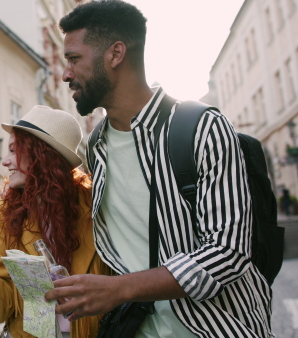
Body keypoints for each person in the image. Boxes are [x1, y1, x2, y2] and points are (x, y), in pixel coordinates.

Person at [44, 1, 274, 337]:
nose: (65, 73)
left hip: (216, 329)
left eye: (74, 59)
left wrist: (120, 289)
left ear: (115, 54)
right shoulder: (97, 147)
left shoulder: (201, 128)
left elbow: (228, 252)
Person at [0, 105, 110, 338]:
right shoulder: (3, 214)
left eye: (14, 150)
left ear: (43, 155)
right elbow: (2, 309)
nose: (5, 161)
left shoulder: (96, 206)